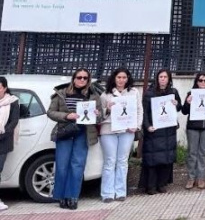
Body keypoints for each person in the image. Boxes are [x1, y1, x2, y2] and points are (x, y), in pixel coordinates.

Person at [48, 68, 100, 210]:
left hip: (83, 132)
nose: (82, 80)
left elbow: (100, 117)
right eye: (79, 77)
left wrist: (97, 113)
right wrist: (66, 116)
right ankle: (60, 196)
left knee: (77, 166)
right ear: (74, 78)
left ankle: (73, 197)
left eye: (85, 78)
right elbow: (51, 112)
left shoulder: (93, 95)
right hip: (65, 132)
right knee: (62, 165)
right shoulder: (62, 93)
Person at [99, 68, 142, 202]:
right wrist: (108, 109)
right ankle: (107, 193)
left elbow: (139, 110)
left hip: (127, 131)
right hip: (109, 130)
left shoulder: (134, 92)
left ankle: (121, 192)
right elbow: (99, 115)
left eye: (124, 77)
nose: (121, 80)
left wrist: (136, 125)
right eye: (119, 77)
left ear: (128, 78)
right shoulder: (105, 94)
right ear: (114, 78)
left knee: (122, 161)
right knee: (110, 161)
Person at [140, 69, 182, 194]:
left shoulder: (173, 92)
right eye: (160, 76)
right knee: (153, 159)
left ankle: (162, 184)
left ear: (169, 79)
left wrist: (176, 103)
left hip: (168, 130)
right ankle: (150, 186)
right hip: (154, 130)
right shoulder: (149, 93)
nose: (163, 79)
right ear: (157, 78)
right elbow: (144, 112)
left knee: (166, 158)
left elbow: (179, 107)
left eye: (165, 77)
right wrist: (147, 126)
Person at [181, 72, 205, 190]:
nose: (203, 83)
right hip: (193, 127)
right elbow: (184, 111)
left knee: (203, 152)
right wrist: (187, 102)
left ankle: (201, 178)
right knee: (192, 153)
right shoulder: (191, 93)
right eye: (200, 80)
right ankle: (191, 178)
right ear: (196, 82)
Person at [0, 77, 20, 212]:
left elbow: (13, 122)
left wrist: (2, 134)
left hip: (3, 141)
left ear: (5, 88)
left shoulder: (12, 102)